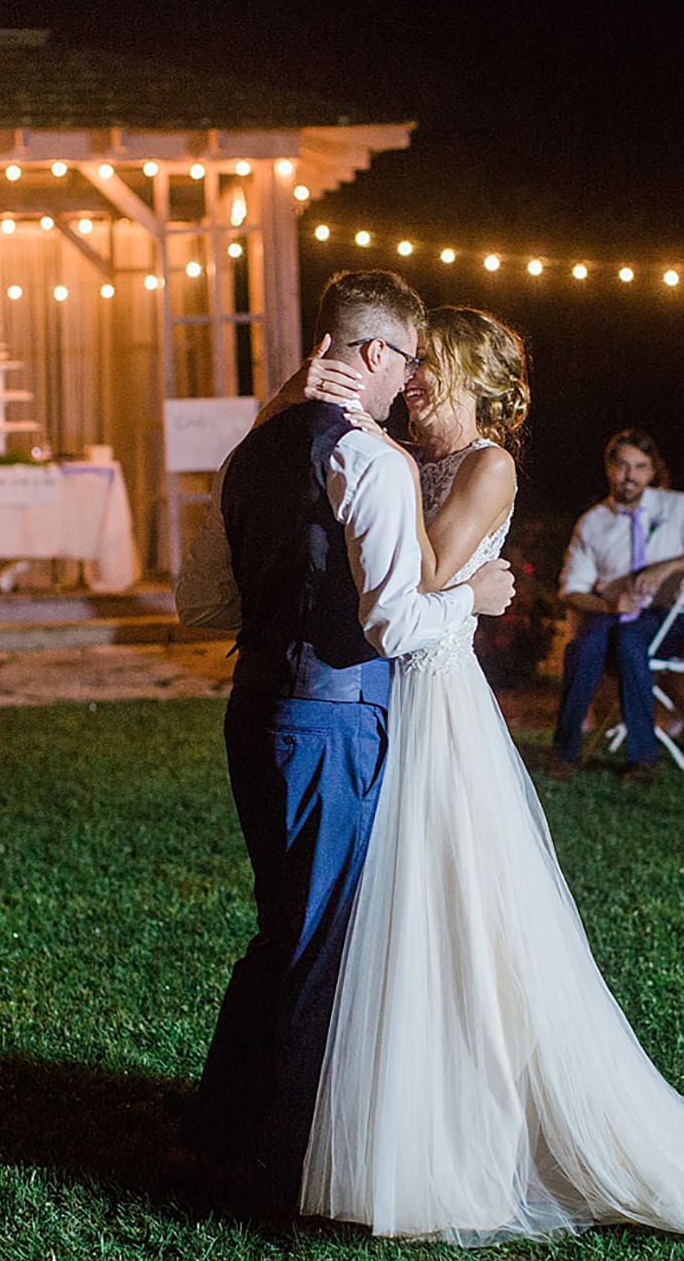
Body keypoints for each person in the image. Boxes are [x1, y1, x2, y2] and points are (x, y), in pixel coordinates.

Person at [276, 305, 684, 1244]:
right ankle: (409, 1120)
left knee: (462, 909)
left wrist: (414, 515)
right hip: (387, 690)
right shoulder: (395, 449)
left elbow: (426, 565)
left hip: (441, 703)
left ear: (476, 378)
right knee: (401, 910)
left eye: (431, 363)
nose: (415, 377)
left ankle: (482, 1133)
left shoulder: (486, 464)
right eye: (412, 361)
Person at [173, 271, 516, 1206]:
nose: (409, 382)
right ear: (372, 353)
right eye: (405, 359)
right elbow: (398, 626)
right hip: (332, 719)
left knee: (283, 928)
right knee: (323, 940)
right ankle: (291, 1163)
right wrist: (472, 599)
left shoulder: (248, 458)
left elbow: (201, 603)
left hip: (253, 714)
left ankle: (220, 1132)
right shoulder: (372, 461)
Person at [551, 430, 684, 781]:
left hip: (666, 617)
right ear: (609, 469)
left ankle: (642, 759)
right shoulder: (593, 523)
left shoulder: (675, 508)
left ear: (652, 472)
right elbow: (571, 591)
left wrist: (668, 565)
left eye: (640, 467)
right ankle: (565, 753)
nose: (630, 476)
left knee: (630, 642)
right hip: (614, 613)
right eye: (623, 466)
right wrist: (609, 605)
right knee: (584, 645)